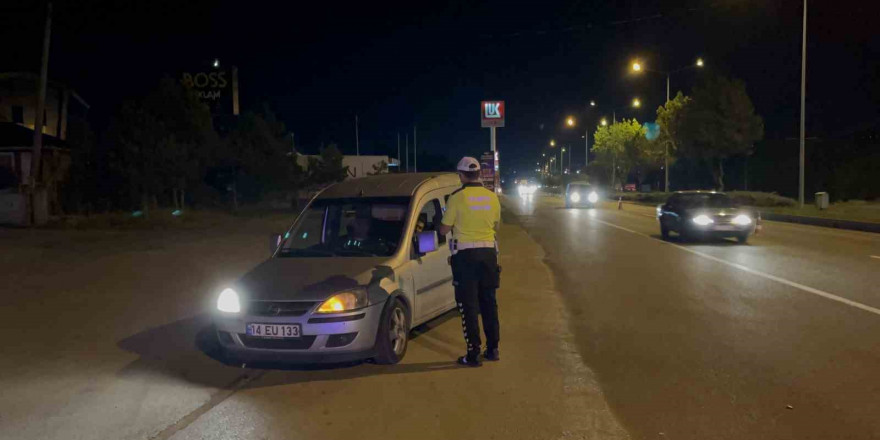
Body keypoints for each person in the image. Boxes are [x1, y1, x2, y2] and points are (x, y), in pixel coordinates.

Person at [437, 157, 502, 367]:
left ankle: (473, 354)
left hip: (466, 258)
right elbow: (495, 224)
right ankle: (493, 349)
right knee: (489, 303)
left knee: (469, 306)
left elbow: (444, 229)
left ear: (461, 176)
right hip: (489, 255)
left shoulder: (457, 198)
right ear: (478, 174)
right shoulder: (492, 197)